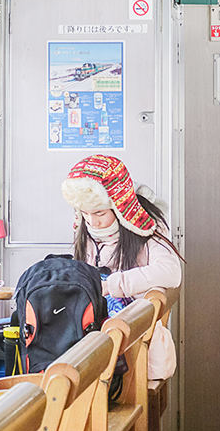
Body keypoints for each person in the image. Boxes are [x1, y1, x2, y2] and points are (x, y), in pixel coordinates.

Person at [61, 154, 182, 379]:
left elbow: (172, 272)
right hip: (98, 335)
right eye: (85, 213)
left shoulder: (146, 233)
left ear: (119, 207)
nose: (92, 221)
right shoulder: (86, 233)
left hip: (136, 346)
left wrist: (111, 285)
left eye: (99, 213)